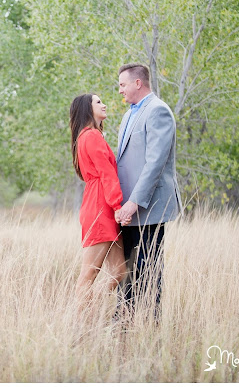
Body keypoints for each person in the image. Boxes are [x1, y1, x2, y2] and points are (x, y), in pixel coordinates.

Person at [114, 63, 182, 321]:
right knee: (129, 269)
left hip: (149, 208)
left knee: (149, 269)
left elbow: (155, 163)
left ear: (138, 83)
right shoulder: (128, 114)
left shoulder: (158, 111)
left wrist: (134, 202)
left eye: (122, 84)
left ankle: (149, 326)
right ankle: (126, 322)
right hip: (128, 210)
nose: (120, 90)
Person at [69, 93, 130, 315]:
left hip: (101, 204)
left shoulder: (90, 136)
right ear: (87, 108)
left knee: (118, 271)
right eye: (98, 102)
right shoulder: (91, 136)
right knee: (89, 273)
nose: (103, 105)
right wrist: (118, 206)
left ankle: (89, 311)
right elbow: (106, 174)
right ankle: (80, 322)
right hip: (99, 207)